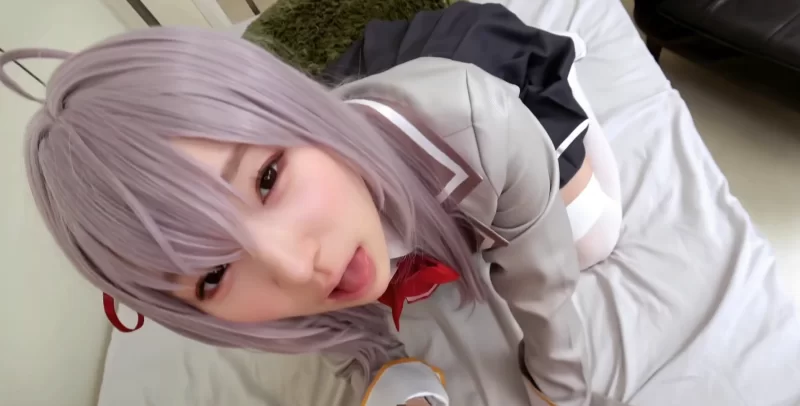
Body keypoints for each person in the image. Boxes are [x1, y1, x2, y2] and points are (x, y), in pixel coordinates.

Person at [0, 24, 622, 406]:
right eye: (212, 275)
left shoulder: (473, 123)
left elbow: (546, 288)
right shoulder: (280, 272)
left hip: (486, 70)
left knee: (590, 236)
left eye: (267, 179)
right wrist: (398, 387)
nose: (297, 267)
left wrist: (559, 390)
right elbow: (342, 338)